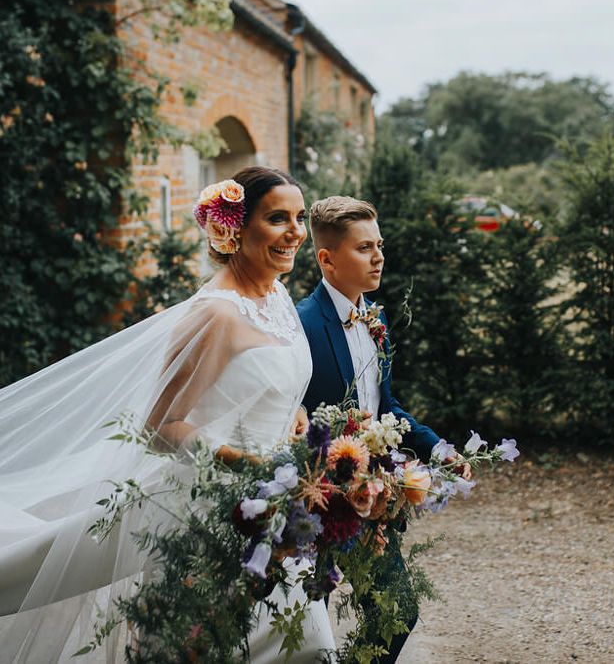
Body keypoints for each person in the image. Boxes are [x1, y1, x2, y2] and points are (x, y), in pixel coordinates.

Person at [0, 167, 333, 663]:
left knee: (303, 644)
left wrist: (294, 414)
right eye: (277, 218)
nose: (295, 232)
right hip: (211, 518)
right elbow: (159, 425)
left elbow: (262, 382)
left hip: (279, 510)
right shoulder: (215, 314)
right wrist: (239, 461)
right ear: (234, 227)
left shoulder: (277, 295)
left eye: (299, 217)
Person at [296, 195, 469, 663]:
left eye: (380, 245)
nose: (379, 257)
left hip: (372, 494)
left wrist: (436, 448)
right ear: (327, 259)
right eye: (364, 248)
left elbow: (385, 406)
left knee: (396, 610)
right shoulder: (300, 325)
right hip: (315, 500)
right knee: (308, 624)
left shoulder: (378, 319)